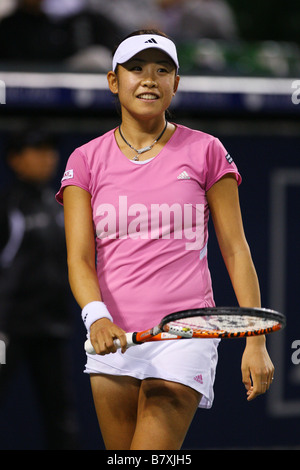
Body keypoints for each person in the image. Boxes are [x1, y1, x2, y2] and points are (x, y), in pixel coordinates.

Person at [56, 29, 274, 450]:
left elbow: (235, 248)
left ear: (176, 83)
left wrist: (255, 339)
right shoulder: (84, 160)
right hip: (113, 337)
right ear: (113, 81)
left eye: (162, 70)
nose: (149, 79)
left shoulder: (206, 150)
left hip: (185, 335)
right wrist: (97, 318)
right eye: (135, 69)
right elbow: (79, 259)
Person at [0, 129, 79, 449]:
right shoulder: (7, 207)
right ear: (15, 159)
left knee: (61, 414)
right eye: (35, 149)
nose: (45, 157)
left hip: (51, 327)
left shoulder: (64, 206)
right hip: (5, 331)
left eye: (49, 149)